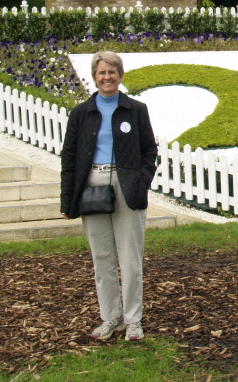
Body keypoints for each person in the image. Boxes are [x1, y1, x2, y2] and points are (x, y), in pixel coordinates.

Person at [60, 51, 158, 341]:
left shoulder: (136, 109)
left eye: (112, 72)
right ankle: (110, 318)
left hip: (127, 184)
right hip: (92, 185)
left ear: (120, 75)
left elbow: (149, 151)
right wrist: (68, 201)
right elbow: (69, 158)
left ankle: (133, 321)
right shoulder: (81, 113)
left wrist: (141, 181)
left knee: (130, 259)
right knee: (102, 257)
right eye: (101, 73)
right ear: (94, 77)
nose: (107, 77)